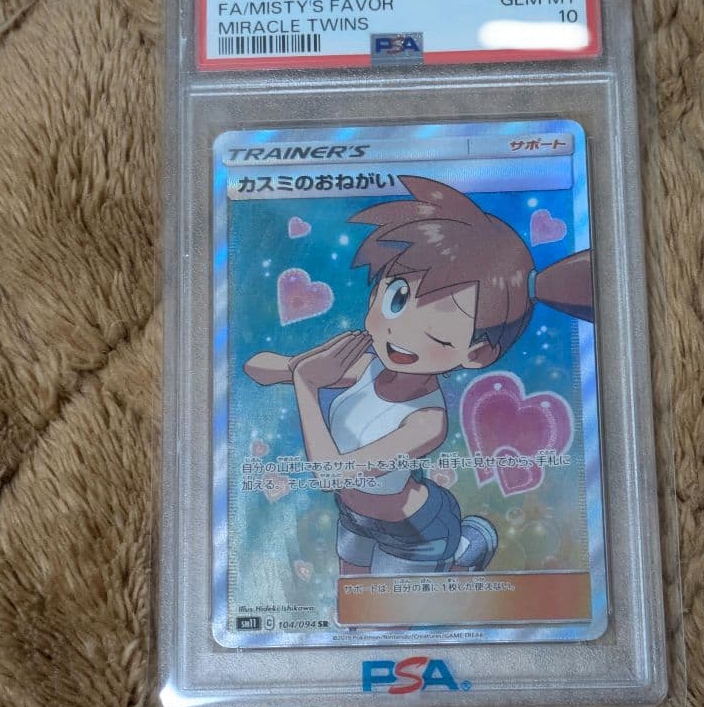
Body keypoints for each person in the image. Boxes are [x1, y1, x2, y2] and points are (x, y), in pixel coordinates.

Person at [245, 176, 593, 575]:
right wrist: (300, 366)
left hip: (415, 532)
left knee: (392, 611)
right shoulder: (363, 364)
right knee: (351, 605)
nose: (399, 331)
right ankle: (464, 546)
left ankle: (465, 549)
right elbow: (259, 368)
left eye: (437, 329)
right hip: (353, 517)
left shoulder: (428, 421)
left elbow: (330, 473)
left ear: (476, 353)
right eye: (395, 300)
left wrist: (307, 384)